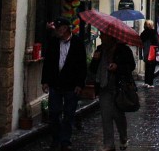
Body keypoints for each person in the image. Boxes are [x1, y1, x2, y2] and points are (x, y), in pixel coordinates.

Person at [41, 18, 88, 151]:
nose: (56, 30)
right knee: (54, 113)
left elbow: (82, 65)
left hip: (71, 85)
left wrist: (80, 84)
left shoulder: (77, 43)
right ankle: (56, 138)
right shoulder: (54, 42)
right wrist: (45, 81)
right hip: (55, 83)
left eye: (58, 28)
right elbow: (48, 62)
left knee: (68, 114)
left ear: (65, 28)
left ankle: (65, 141)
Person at [89, 33, 136, 151]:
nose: (100, 37)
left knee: (117, 115)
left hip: (118, 88)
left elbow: (131, 66)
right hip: (103, 87)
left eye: (103, 35)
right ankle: (108, 144)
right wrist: (95, 60)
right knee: (106, 116)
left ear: (110, 36)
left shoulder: (123, 50)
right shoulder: (100, 49)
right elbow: (93, 69)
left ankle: (123, 137)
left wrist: (117, 67)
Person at [139, 20, 159, 87]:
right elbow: (157, 42)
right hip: (152, 51)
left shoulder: (143, 33)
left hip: (145, 52)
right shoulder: (153, 32)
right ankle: (150, 83)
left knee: (147, 67)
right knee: (152, 67)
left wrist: (140, 55)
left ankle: (146, 82)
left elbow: (140, 44)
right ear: (150, 25)